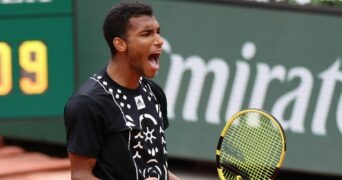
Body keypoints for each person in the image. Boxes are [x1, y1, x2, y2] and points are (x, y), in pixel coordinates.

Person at [64, 1, 180, 179]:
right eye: (147, 34)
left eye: (158, 32)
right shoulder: (87, 103)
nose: (159, 41)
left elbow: (157, 167)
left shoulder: (154, 94)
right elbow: (80, 175)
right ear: (120, 44)